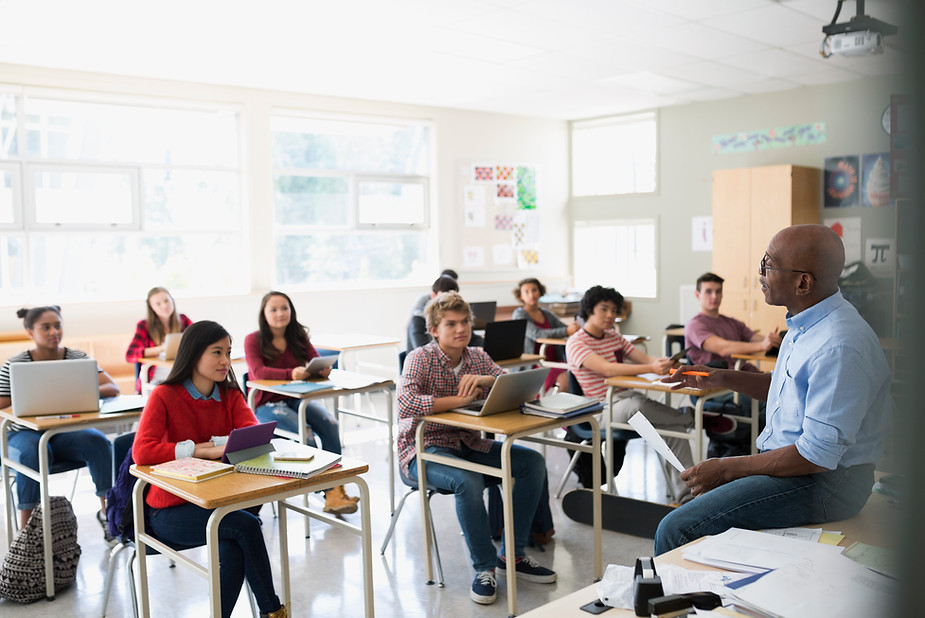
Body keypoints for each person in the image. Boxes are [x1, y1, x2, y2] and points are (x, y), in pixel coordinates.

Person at [655, 224, 892, 554]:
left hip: (827, 483)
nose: (760, 273)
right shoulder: (803, 324)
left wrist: (726, 468)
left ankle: (680, 605)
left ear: (802, 282)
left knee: (676, 528)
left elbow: (816, 455)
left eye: (768, 264)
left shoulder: (839, 344)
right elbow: (787, 392)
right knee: (700, 517)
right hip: (802, 469)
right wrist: (721, 377)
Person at [397, 291, 556, 605]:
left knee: (532, 463)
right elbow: (405, 403)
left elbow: (519, 389)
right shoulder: (420, 357)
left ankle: (512, 555)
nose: (461, 329)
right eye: (451, 324)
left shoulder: (478, 356)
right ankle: (485, 569)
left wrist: (485, 380)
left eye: (465, 322)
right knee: (467, 479)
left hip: (468, 443)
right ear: (434, 330)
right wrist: (456, 402)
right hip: (423, 450)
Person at [132, 320, 289, 618]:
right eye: (216, 352)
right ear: (193, 354)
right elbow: (142, 451)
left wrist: (214, 445)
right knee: (245, 526)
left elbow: (253, 436)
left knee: (232, 545)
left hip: (218, 502)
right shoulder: (164, 395)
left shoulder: (230, 394)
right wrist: (198, 449)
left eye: (228, 353)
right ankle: (275, 612)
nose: (225, 361)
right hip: (169, 511)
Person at [566, 285, 693, 502]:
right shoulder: (576, 342)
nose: (610, 315)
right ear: (589, 310)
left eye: (614, 311)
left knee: (676, 431)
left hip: (629, 401)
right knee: (638, 407)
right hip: (602, 409)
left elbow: (645, 360)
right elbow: (607, 369)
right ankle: (690, 416)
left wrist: (665, 363)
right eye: (604, 309)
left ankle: (689, 497)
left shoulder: (614, 336)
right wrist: (651, 369)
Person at [0, 306, 117, 539]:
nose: (54, 331)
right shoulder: (15, 365)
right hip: (24, 434)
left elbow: (111, 387)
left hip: (64, 432)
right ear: (30, 332)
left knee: (98, 442)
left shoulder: (78, 358)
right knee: (33, 452)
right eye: (46, 327)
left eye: (58, 325)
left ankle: (109, 517)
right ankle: (28, 534)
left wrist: (79, 390)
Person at [244, 291, 357, 515]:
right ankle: (326, 491)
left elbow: (314, 359)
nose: (280, 314)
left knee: (331, 423)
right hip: (267, 405)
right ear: (264, 314)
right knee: (305, 434)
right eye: (273, 310)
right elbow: (257, 373)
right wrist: (290, 373)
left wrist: (322, 370)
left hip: (298, 399)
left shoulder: (298, 336)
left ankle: (335, 489)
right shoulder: (253, 339)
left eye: (284, 308)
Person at [686, 272, 783, 453]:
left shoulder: (732, 323)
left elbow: (756, 339)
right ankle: (759, 455)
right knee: (772, 405)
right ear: (697, 295)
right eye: (708, 292)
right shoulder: (695, 325)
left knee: (783, 396)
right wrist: (762, 344)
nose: (714, 296)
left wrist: (771, 340)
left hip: (744, 378)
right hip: (717, 387)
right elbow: (723, 348)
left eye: (718, 291)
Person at [512, 277, 579, 394]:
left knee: (578, 372)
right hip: (535, 365)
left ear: (540, 291)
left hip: (555, 361)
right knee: (565, 380)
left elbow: (563, 327)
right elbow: (537, 334)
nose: (531, 294)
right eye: (526, 292)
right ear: (521, 296)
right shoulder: (519, 314)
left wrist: (574, 328)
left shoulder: (546, 313)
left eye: (534, 290)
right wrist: (567, 331)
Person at [124, 286, 193, 393]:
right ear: (151, 307)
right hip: (157, 381)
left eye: (166, 301)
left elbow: (199, 340)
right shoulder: (144, 325)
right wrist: (162, 348)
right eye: (158, 304)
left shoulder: (183, 320)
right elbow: (130, 355)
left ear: (172, 301)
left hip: (182, 378)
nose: (164, 306)